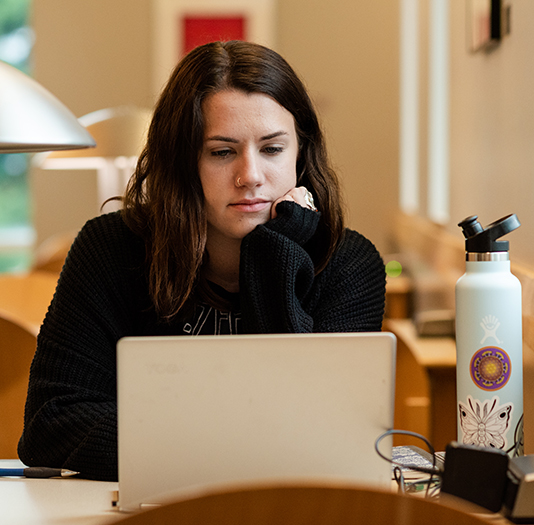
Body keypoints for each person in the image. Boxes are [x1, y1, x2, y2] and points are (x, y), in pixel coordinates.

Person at [18, 41, 386, 481]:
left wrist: (276, 257)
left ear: (301, 153)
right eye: (221, 152)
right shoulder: (110, 249)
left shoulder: (347, 262)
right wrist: (243, 440)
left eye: (272, 149)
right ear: (183, 161)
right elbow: (50, 423)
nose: (250, 175)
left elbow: (323, 436)